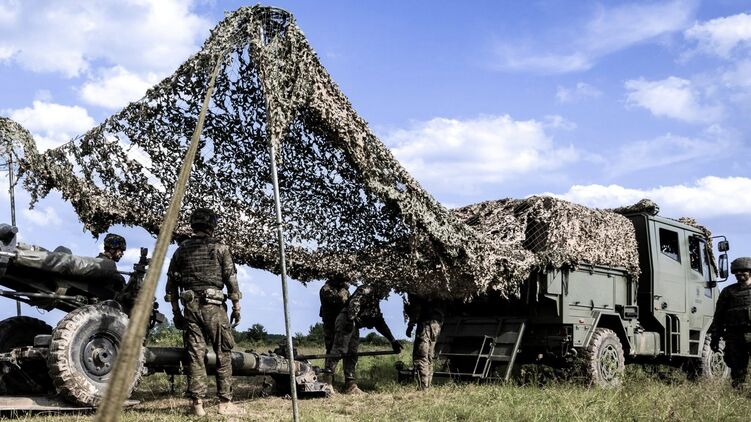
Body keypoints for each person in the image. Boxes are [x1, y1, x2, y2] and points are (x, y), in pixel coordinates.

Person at [165, 208, 243, 416]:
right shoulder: (220, 248)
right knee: (223, 352)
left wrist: (176, 313)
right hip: (214, 307)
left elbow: (171, 286)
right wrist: (236, 306)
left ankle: (197, 405)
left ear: (194, 225)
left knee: (195, 355)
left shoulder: (181, 250)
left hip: (190, 307)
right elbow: (231, 280)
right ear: (212, 226)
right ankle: (225, 403)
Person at [325, 284, 402, 394]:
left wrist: (392, 340)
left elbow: (379, 322)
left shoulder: (374, 303)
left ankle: (350, 386)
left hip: (354, 324)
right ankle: (327, 383)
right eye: (386, 290)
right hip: (346, 320)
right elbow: (354, 304)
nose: (387, 293)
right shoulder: (367, 290)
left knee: (352, 354)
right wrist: (350, 321)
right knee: (339, 351)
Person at [710, 256, 751, 389]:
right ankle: (739, 393)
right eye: (736, 272)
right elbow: (719, 316)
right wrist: (715, 336)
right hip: (735, 336)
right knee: (737, 368)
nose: (739, 273)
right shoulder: (728, 292)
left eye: (742, 271)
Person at [404, 294, 445, 389]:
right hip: (437, 324)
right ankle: (427, 386)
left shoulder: (419, 291)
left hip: (426, 324)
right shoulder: (437, 292)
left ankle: (423, 388)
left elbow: (416, 308)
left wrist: (411, 325)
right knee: (429, 357)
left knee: (421, 356)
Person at [319, 275, 350, 384]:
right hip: (331, 324)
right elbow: (338, 300)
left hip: (340, 323)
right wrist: (344, 289)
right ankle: (328, 378)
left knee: (345, 350)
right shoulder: (326, 289)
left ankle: (342, 379)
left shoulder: (339, 289)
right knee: (331, 350)